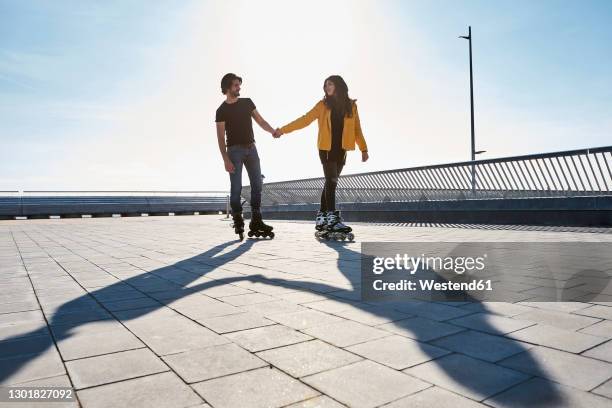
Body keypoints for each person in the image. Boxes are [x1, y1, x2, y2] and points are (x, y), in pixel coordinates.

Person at [273, 75, 369, 235]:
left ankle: (322, 217)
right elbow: (304, 120)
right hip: (326, 149)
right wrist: (282, 130)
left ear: (338, 85)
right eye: (325, 85)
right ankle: (332, 218)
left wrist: (364, 149)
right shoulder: (322, 105)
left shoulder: (351, 106)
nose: (326, 87)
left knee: (331, 182)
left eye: (329, 84)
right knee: (331, 181)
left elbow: (357, 129)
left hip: (342, 149)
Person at [215, 73, 275, 239]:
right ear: (227, 87)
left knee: (257, 185)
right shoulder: (221, 111)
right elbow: (220, 138)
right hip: (234, 151)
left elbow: (261, 121)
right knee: (236, 189)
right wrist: (225, 159)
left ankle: (256, 220)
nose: (239, 87)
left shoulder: (247, 103)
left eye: (239, 85)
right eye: (236, 85)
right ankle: (238, 219)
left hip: (251, 149)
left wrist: (273, 131)